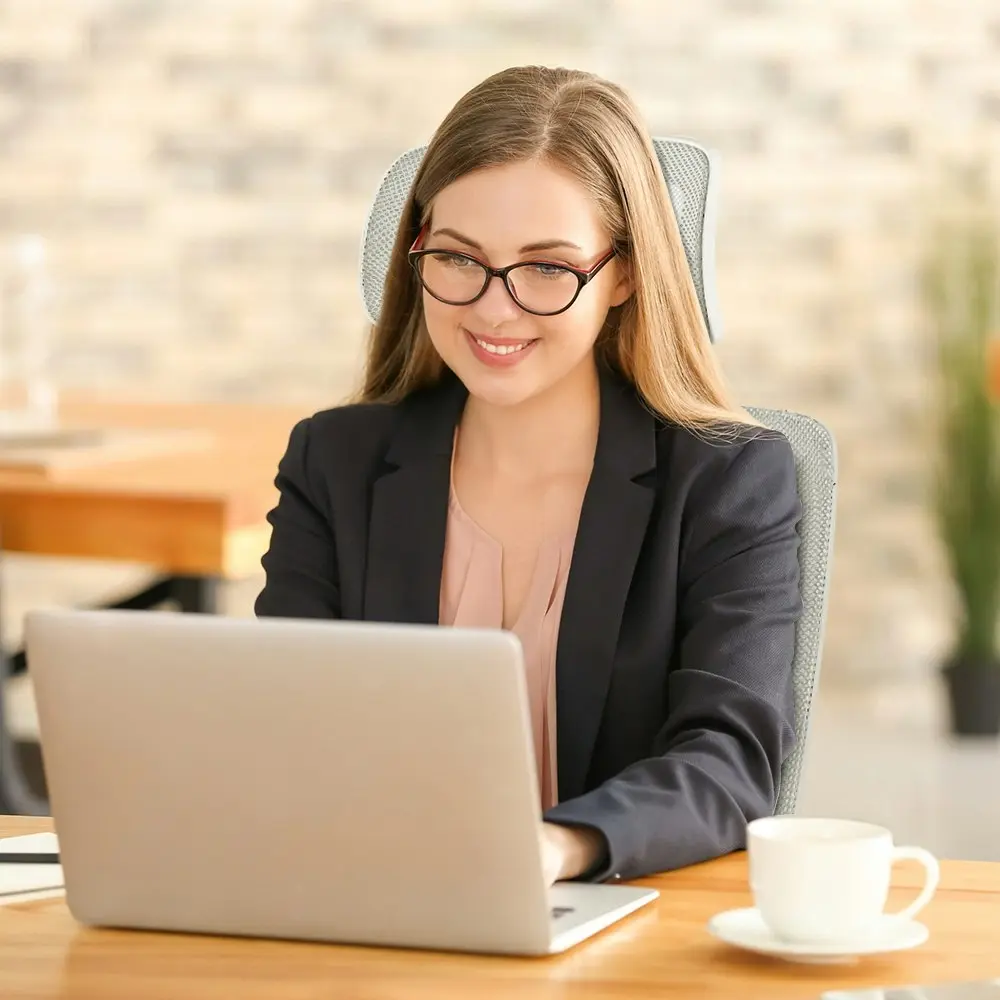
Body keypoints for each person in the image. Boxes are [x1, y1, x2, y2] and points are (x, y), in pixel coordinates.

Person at [255, 65, 803, 886]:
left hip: (614, 925)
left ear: (622, 273)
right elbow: (282, 731)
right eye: (458, 258)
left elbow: (729, 762)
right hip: (370, 914)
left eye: (547, 268)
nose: (493, 308)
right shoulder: (332, 463)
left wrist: (554, 848)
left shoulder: (729, 481)